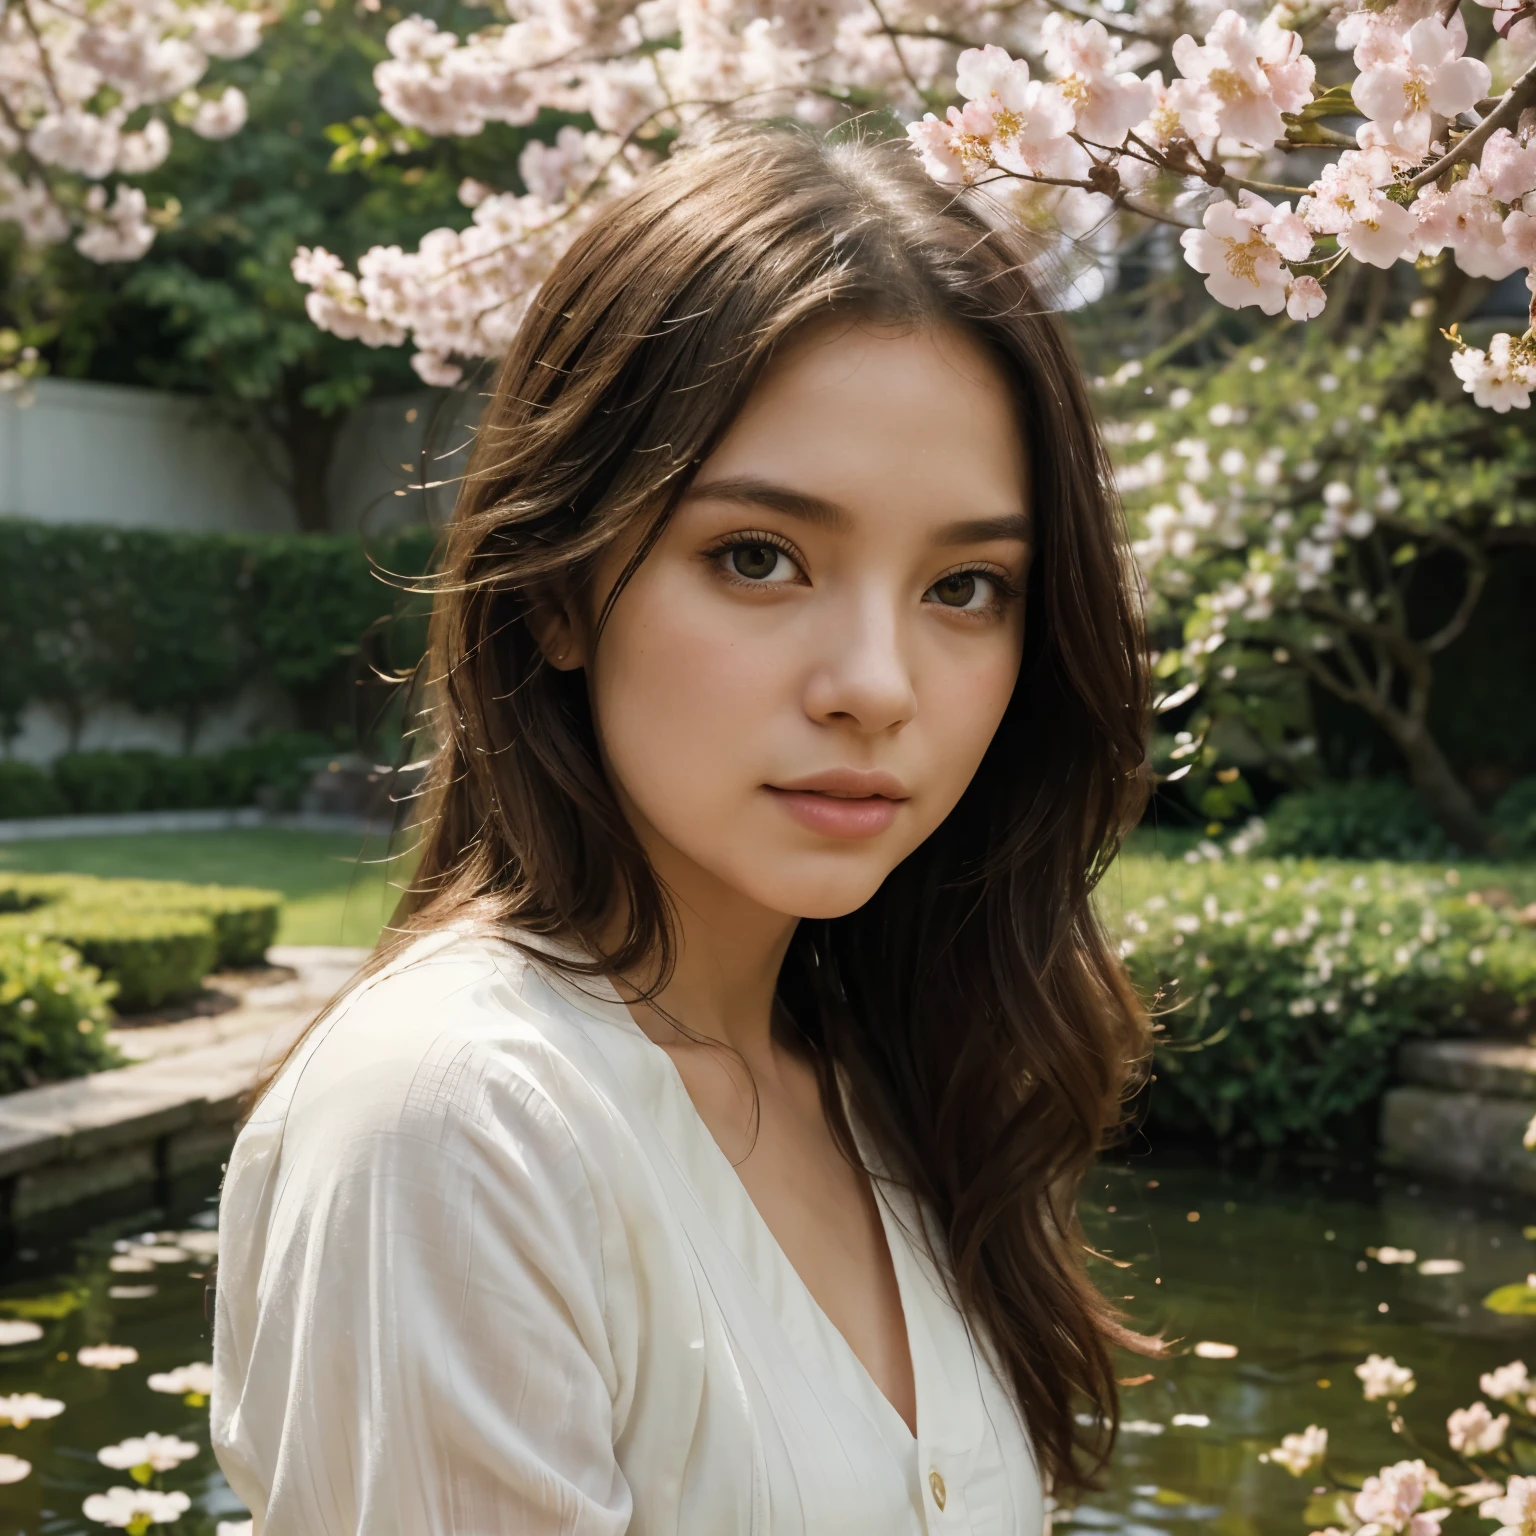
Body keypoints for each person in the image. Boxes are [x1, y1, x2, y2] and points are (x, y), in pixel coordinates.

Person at [210, 123, 1155, 1535]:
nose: (877, 689)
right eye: (759, 558)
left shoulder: (878, 1071)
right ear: (559, 590)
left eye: (966, 587)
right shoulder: (463, 1123)